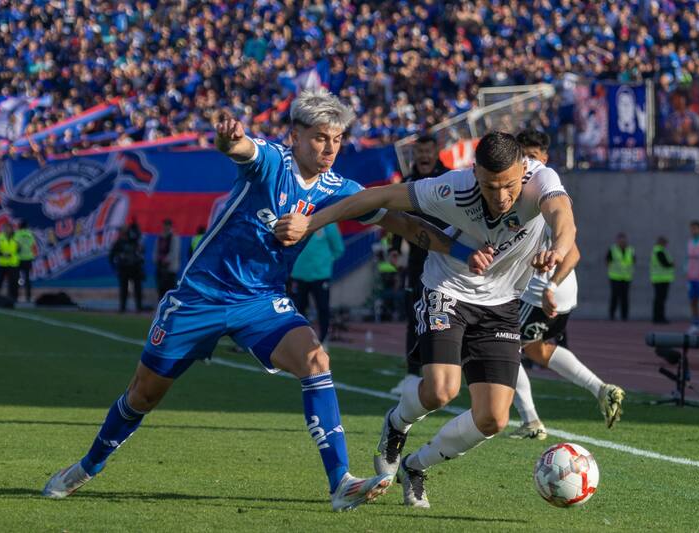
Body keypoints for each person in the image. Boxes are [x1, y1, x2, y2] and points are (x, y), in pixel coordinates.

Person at [42, 89, 469, 512]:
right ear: (295, 136)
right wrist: (229, 137)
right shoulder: (271, 161)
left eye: (337, 139)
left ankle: (341, 481)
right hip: (199, 297)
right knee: (143, 394)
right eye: (321, 137)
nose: (330, 148)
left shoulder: (341, 188)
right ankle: (86, 466)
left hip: (261, 301)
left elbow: (403, 225)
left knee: (316, 361)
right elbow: (239, 148)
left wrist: (465, 253)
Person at [275, 131, 576, 508]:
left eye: (509, 186)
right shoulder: (453, 188)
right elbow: (378, 197)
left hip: (502, 303)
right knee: (440, 390)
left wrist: (558, 250)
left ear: (523, 171)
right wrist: (311, 222)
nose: (500, 198)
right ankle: (396, 424)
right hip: (446, 288)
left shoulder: (541, 180)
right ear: (474, 174)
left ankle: (415, 467)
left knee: (493, 419)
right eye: (489, 186)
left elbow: (563, 218)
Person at [509, 129, 625, 440]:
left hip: (541, 294)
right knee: (538, 350)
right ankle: (601, 389)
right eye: (521, 157)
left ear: (544, 160)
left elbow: (573, 253)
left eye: (532, 157)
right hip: (559, 293)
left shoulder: (541, 193)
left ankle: (531, 420)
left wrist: (549, 285)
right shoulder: (540, 191)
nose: (526, 163)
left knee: (501, 347)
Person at [388, 134, 449, 387]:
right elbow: (395, 217)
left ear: (436, 152)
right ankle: (412, 375)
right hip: (417, 261)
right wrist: (394, 248)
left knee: (442, 316)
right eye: (419, 151)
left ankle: (441, 372)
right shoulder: (408, 182)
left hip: (446, 261)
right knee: (415, 316)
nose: (423, 156)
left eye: (428, 150)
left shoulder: (449, 180)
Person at [290, 222, 344, 346]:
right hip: (299, 274)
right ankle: (299, 339)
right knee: (298, 309)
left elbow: (338, 248)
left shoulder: (329, 224)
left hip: (320, 276)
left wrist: (324, 262)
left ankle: (323, 339)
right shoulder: (298, 221)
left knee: (323, 308)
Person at [108, 225, 145, 313]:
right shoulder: (119, 242)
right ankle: (123, 307)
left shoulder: (134, 240)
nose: (124, 232)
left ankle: (139, 307)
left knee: (137, 288)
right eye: (123, 231)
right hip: (124, 268)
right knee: (124, 288)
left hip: (135, 267)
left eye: (126, 230)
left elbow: (141, 249)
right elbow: (111, 255)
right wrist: (115, 266)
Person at [685, 221, 699, 334]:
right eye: (692, 228)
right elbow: (687, 259)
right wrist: (686, 271)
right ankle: (695, 324)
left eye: (696, 228)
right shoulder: (689, 242)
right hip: (691, 277)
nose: (694, 230)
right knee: (693, 301)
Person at [606, 232, 634, 320]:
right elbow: (607, 261)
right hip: (615, 277)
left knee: (625, 298)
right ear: (617, 241)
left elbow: (633, 260)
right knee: (614, 297)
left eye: (624, 241)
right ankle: (612, 315)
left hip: (626, 277)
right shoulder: (612, 249)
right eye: (621, 241)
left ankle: (624, 316)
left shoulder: (630, 250)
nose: (622, 242)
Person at [650, 236, 675, 324]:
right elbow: (665, 263)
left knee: (660, 299)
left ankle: (659, 317)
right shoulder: (659, 251)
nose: (666, 245)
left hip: (660, 279)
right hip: (660, 279)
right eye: (665, 243)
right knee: (660, 300)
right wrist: (672, 264)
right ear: (661, 242)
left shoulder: (659, 250)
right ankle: (659, 318)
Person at [0, 222, 19, 303]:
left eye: (8, 228)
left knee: (13, 282)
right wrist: (3, 254)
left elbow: (20, 249)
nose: (7, 230)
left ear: (11, 229)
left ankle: (13, 298)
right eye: (5, 228)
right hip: (2, 263)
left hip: (13, 263)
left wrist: (12, 253)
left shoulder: (17, 237)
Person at [155, 219, 181, 299]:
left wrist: (166, 260)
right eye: (164, 225)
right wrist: (156, 259)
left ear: (170, 226)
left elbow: (175, 252)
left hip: (170, 268)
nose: (165, 227)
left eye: (167, 225)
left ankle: (170, 306)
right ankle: (161, 304)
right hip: (160, 267)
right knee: (161, 289)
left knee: (170, 288)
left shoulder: (174, 237)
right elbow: (156, 250)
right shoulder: (160, 237)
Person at [15, 220, 37, 303]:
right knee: (27, 279)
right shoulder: (30, 234)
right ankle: (28, 297)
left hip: (19, 258)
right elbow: (33, 245)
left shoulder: (17, 234)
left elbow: (16, 246)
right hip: (28, 258)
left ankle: (15, 296)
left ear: (19, 226)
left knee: (16, 278)